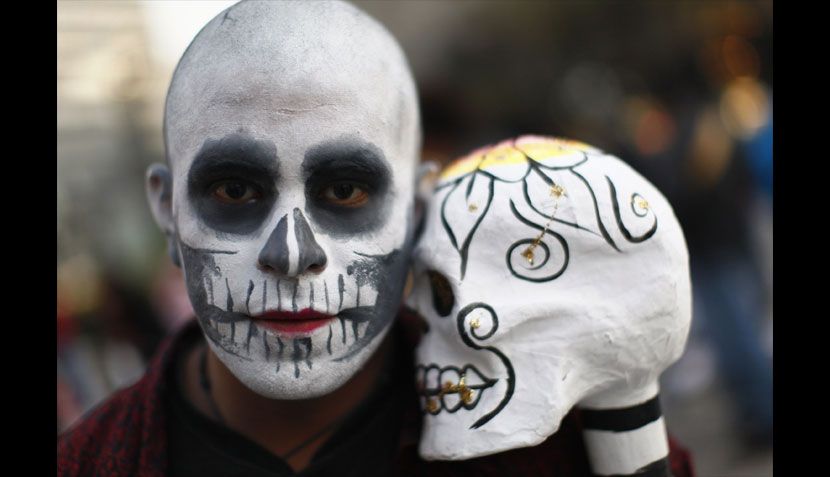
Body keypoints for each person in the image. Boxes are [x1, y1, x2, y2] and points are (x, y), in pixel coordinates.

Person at [58, 2, 694, 476]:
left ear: (417, 209)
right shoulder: (90, 463)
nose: (292, 254)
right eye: (234, 191)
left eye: (344, 192)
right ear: (168, 211)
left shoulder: (552, 436)